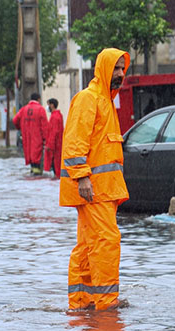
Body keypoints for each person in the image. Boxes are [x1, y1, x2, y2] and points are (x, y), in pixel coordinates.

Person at [60, 48, 130, 311]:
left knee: (89, 245)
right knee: (105, 243)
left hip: (104, 191)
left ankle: (81, 303)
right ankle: (105, 302)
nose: (121, 74)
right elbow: (75, 141)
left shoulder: (106, 102)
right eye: (116, 68)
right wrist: (81, 177)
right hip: (94, 190)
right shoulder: (89, 99)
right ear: (103, 68)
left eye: (123, 69)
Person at [12, 93, 48, 175]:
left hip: (26, 136)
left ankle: (32, 172)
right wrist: (46, 139)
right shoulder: (40, 109)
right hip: (37, 136)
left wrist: (20, 128)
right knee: (37, 155)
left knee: (30, 155)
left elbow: (15, 120)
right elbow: (44, 126)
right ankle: (37, 175)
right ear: (38, 99)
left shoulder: (24, 109)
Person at [43, 98, 63, 178]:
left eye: (48, 104)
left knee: (56, 165)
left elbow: (53, 132)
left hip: (55, 146)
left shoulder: (55, 117)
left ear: (52, 105)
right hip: (57, 144)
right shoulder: (58, 115)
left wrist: (49, 145)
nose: (47, 107)